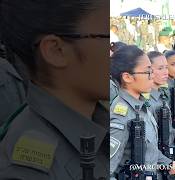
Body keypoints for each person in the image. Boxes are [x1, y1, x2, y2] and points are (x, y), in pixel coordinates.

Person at [0, 0, 108, 179]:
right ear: (56, 51)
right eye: (108, 38)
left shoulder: (96, 122)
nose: (115, 52)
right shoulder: (27, 172)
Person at [110, 45, 175, 179]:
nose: (152, 76)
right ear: (127, 77)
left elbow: (149, 150)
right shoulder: (121, 115)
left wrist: (169, 163)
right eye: (148, 71)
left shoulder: (142, 106)